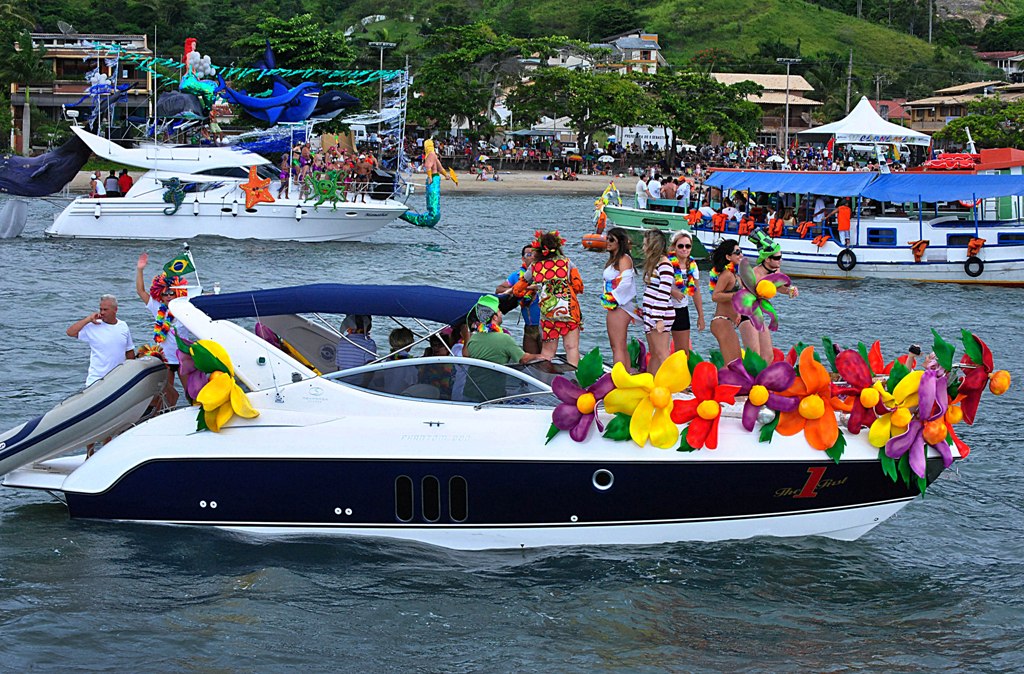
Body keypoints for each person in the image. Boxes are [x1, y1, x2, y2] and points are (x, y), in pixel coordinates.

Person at [512, 231, 584, 366]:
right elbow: (579, 286)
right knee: (571, 348)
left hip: (548, 315)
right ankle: (575, 381)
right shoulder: (567, 263)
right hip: (570, 311)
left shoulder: (535, 267)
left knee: (547, 353)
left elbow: (517, 289)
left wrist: (535, 288)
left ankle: (545, 381)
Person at [135, 253, 191, 406]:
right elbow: (141, 291)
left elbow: (200, 301)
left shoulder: (185, 309)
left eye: (171, 293)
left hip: (182, 357)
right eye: (165, 293)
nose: (168, 296)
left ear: (178, 292)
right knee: (165, 394)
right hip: (165, 359)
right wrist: (140, 270)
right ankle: (165, 415)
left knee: (190, 393)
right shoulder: (157, 308)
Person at [463, 295, 540, 401]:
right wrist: (542, 356)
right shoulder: (504, 338)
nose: (501, 314)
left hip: (469, 392)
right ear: (494, 317)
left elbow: (466, 354)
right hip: (491, 395)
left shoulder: (474, 338)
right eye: (499, 312)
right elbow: (524, 359)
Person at [66, 294, 135, 387]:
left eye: (105, 310)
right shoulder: (93, 326)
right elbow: (70, 332)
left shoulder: (123, 326)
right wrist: (88, 319)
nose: (102, 312)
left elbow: (129, 351)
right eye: (101, 309)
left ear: (115, 310)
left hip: (118, 378)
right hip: (96, 380)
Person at [749, 238, 798, 361]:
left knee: (768, 355)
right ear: (767, 259)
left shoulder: (775, 270)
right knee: (757, 354)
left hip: (760, 313)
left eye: (780, 257)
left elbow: (779, 287)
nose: (780, 260)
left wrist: (789, 291)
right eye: (776, 258)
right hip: (748, 314)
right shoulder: (754, 274)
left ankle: (762, 378)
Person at [601, 227, 636, 369]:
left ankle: (619, 377)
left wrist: (612, 298)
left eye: (611, 240)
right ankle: (625, 374)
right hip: (616, 304)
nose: (607, 242)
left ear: (619, 242)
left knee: (617, 345)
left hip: (620, 305)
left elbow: (626, 282)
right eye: (607, 239)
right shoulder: (615, 259)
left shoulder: (624, 259)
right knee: (618, 345)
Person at [496, 244, 541, 354]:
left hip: (545, 325)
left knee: (546, 358)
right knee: (530, 361)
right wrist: (516, 289)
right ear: (523, 258)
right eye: (529, 254)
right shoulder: (517, 277)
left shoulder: (545, 275)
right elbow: (499, 289)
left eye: (535, 254)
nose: (532, 257)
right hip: (529, 327)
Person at [640, 230, 674, 375]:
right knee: (654, 353)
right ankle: (652, 382)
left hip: (659, 315)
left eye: (645, 244)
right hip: (651, 313)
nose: (642, 247)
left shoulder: (665, 265)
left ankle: (670, 385)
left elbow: (664, 292)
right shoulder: (656, 264)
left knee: (662, 354)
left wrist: (658, 318)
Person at [668, 232, 706, 355]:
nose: (684, 249)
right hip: (664, 308)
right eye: (680, 246)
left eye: (687, 246)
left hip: (681, 309)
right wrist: (672, 291)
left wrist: (701, 315)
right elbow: (653, 284)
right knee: (661, 350)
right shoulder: (666, 263)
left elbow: (696, 291)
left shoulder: (693, 265)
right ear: (674, 247)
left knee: (684, 352)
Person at [709, 239, 745, 365]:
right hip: (721, 320)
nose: (741, 255)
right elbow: (715, 296)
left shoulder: (736, 276)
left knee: (736, 362)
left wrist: (738, 313)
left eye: (741, 251)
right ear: (728, 257)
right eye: (737, 252)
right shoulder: (727, 275)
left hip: (729, 322)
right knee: (732, 364)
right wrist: (735, 294)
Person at [371, 328, 418, 394]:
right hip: (402, 394)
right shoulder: (407, 362)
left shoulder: (390, 358)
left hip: (389, 391)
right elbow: (413, 381)